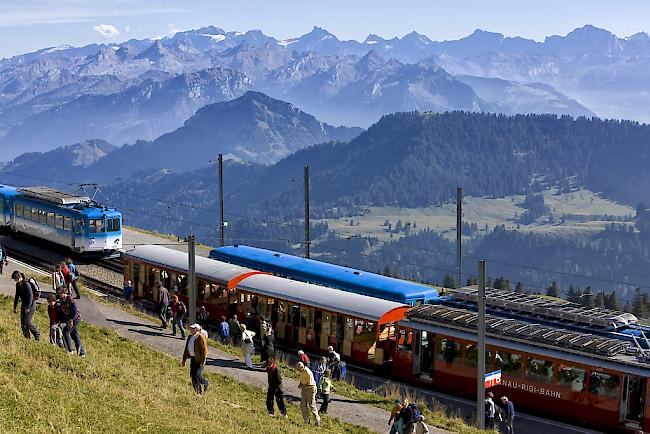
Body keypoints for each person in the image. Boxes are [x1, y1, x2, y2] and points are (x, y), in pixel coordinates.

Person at [12, 271, 40, 340]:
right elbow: (17, 296)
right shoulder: (18, 285)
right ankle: (27, 338)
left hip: (31, 305)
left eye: (16, 279)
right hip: (23, 305)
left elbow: (30, 296)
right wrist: (14, 307)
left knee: (27, 321)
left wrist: (28, 307)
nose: (15, 281)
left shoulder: (26, 284)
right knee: (23, 323)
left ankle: (37, 335)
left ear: (19, 277)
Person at [181, 324, 209, 394]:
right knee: (193, 376)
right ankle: (198, 391)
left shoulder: (201, 338)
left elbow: (204, 351)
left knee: (197, 374)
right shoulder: (190, 337)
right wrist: (184, 360)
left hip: (199, 360)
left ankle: (205, 382)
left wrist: (202, 362)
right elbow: (186, 349)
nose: (191, 329)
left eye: (193, 328)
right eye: (191, 328)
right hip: (193, 359)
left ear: (197, 329)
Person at [57, 289, 85, 356]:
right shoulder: (61, 300)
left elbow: (74, 311)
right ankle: (81, 353)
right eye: (58, 293)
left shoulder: (70, 299)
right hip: (68, 319)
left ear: (64, 293)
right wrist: (61, 319)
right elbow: (61, 311)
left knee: (65, 332)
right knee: (74, 335)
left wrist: (71, 319)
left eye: (60, 293)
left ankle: (70, 350)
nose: (59, 294)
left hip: (75, 319)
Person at [296, 361, 320, 426]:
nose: (297, 370)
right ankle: (306, 420)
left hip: (310, 389)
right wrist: (300, 384)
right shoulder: (301, 371)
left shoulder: (308, 372)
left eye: (298, 369)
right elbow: (302, 379)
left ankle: (317, 421)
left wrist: (301, 386)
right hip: (304, 389)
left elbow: (310, 385)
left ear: (302, 367)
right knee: (303, 405)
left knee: (311, 406)